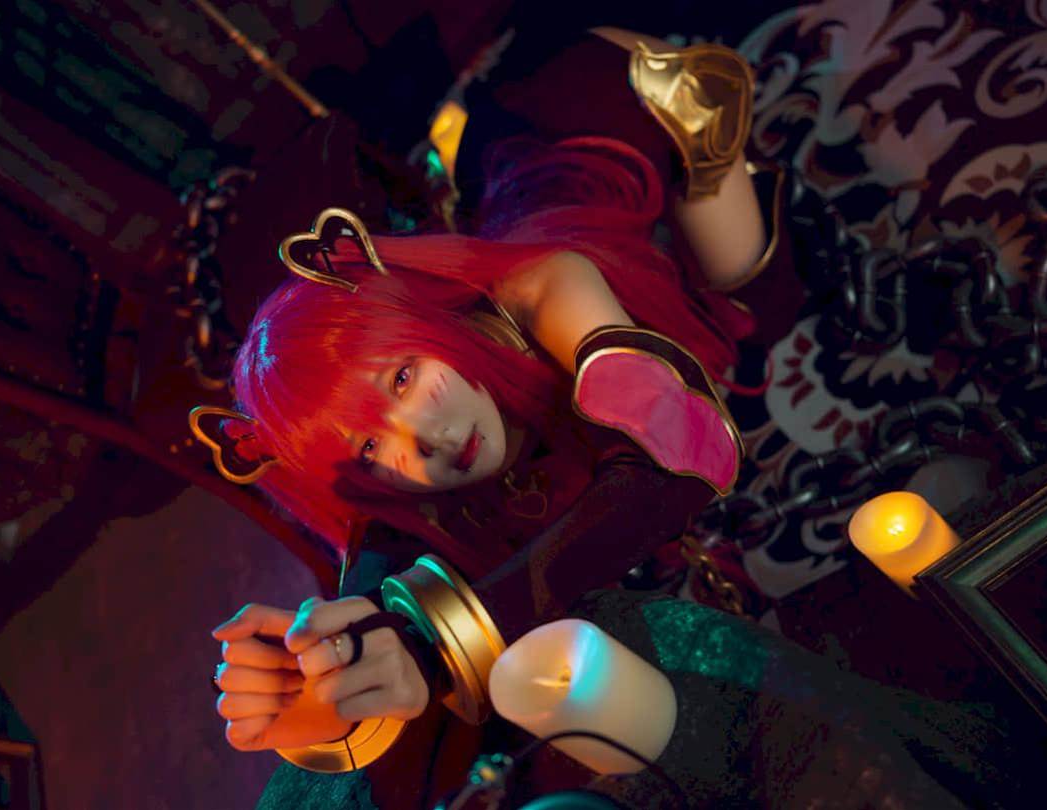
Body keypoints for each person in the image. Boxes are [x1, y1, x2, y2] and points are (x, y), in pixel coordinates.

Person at [195, 26, 787, 806]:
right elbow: (382, 565)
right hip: (498, 181)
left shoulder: (548, 288)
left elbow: (677, 456)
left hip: (592, 116)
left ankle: (698, 129)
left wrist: (434, 642)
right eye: (373, 445)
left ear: (421, 323)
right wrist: (324, 676)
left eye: (405, 376)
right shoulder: (397, 480)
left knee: (745, 278)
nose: (431, 437)